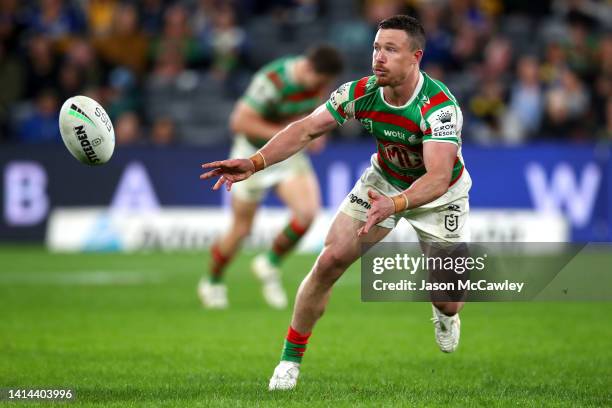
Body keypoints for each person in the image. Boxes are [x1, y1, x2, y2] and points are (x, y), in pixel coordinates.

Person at [201, 15, 471, 390]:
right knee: (329, 260)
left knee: (449, 302)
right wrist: (254, 162)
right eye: (376, 47)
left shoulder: (439, 107)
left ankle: (444, 315)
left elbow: (439, 177)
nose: (378, 57)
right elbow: (306, 129)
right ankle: (289, 361)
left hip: (439, 197)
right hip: (384, 180)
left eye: (390, 49)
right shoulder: (360, 91)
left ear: (415, 57)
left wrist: (395, 207)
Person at [197, 45, 344, 309]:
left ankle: (269, 262)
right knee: (241, 229)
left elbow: (308, 116)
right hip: (249, 156)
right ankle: (213, 279)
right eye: (321, 82)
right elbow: (239, 123)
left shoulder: (317, 83)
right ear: (309, 69)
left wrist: (312, 134)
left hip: (287, 156)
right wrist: (287, 134)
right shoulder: (273, 80)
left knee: (306, 214)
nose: (321, 88)